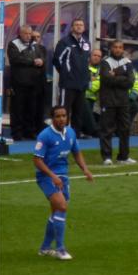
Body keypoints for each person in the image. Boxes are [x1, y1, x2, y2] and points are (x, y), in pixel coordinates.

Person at [33, 106, 95, 260]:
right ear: (52, 118)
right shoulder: (45, 136)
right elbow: (37, 160)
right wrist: (52, 176)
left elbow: (76, 152)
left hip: (63, 176)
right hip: (46, 176)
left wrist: (85, 170)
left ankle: (45, 248)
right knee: (62, 206)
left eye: (64, 116)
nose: (61, 119)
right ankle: (60, 249)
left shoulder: (71, 132)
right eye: (58, 116)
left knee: (56, 212)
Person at [99, 40, 136, 165]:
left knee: (125, 129)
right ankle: (107, 157)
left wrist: (116, 74)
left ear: (123, 49)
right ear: (111, 48)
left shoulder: (128, 62)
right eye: (115, 47)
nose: (118, 49)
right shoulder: (105, 62)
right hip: (108, 100)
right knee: (107, 130)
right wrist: (122, 76)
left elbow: (130, 81)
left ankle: (123, 156)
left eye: (120, 47)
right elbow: (107, 79)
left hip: (123, 101)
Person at [7, 24, 47, 140]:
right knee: (18, 109)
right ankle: (17, 133)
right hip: (19, 83)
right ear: (20, 33)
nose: (28, 36)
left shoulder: (35, 46)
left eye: (30, 34)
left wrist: (41, 61)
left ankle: (29, 132)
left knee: (31, 109)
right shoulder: (14, 44)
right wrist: (33, 61)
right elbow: (16, 59)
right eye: (26, 33)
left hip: (33, 83)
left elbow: (42, 57)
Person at [53, 18, 91, 137]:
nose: (79, 27)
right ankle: (60, 133)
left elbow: (87, 61)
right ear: (72, 28)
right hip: (68, 83)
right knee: (64, 110)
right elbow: (57, 60)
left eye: (81, 25)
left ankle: (75, 134)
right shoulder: (64, 42)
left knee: (79, 111)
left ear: (84, 28)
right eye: (76, 25)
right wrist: (66, 73)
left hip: (82, 83)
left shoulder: (86, 42)